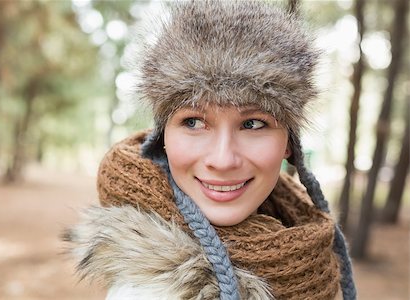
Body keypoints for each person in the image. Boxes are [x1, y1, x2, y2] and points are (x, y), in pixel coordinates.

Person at [64, 1, 357, 299]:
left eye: (254, 124)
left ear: (289, 144)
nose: (222, 159)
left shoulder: (308, 243)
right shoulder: (148, 291)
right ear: (162, 139)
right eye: (193, 122)